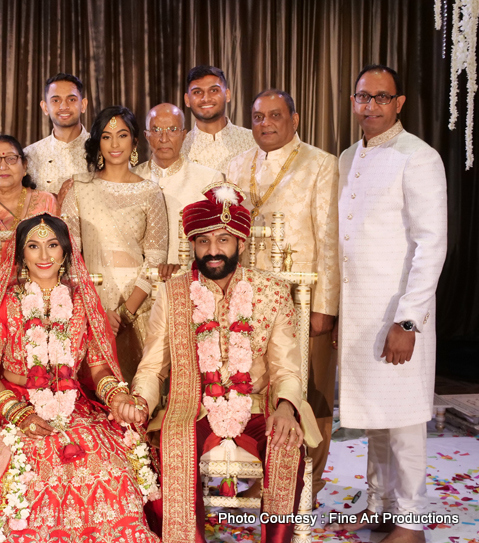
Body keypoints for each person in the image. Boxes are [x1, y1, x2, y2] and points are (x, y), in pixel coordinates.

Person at [0, 213, 161, 542]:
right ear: (21, 255)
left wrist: (117, 396)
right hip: (14, 408)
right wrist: (19, 414)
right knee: (31, 473)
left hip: (72, 406)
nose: (44, 256)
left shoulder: (83, 305)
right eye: (34, 246)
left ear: (65, 252)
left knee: (108, 466)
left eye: (52, 246)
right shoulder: (6, 305)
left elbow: (100, 369)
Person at [130, 182, 321, 543]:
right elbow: (153, 366)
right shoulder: (174, 294)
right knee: (169, 443)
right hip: (193, 406)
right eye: (203, 241)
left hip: (259, 405)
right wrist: (140, 401)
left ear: (241, 244)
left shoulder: (272, 291)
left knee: (284, 442)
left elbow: (286, 369)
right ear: (193, 245)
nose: (213, 250)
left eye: (223, 240)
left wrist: (285, 407)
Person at [331, 65, 447, 543]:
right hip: (360, 313)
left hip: (399, 313)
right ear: (354, 101)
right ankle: (381, 504)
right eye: (363, 97)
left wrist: (408, 319)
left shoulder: (417, 156)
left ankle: (413, 521)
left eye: (382, 98)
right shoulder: (346, 157)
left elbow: (432, 242)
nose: (371, 106)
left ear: (399, 103)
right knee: (374, 416)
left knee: (404, 419)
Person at [226, 89, 339, 502]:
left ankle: (308, 478)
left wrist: (325, 307)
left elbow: (328, 239)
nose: (266, 124)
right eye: (257, 117)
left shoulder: (321, 164)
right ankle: (266, 470)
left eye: (275, 115)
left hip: (303, 299)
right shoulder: (237, 164)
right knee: (260, 386)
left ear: (295, 118)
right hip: (251, 300)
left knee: (310, 388)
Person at [59, 106, 168, 383]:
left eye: (122, 135)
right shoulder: (78, 188)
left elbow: (155, 257)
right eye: (106, 137)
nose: (115, 144)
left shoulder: (150, 192)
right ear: (97, 143)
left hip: (139, 306)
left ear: (134, 141)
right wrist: (97, 313)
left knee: (140, 393)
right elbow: (68, 254)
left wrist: (125, 312)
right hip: (89, 304)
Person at [0, 73, 89, 198]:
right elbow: (3, 194)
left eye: (71, 99)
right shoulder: (29, 155)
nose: (64, 106)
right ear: (45, 107)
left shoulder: (101, 150)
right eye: (56, 100)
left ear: (83, 105)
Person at [133, 103, 223, 265]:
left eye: (172, 130)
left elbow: (217, 242)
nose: (164, 138)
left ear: (184, 135)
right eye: (156, 130)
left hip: (191, 281)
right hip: (139, 282)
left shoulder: (209, 180)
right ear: (146, 136)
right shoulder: (131, 178)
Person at [0, 134, 58, 276]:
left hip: (38, 293)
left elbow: (59, 252)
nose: (3, 166)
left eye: (11, 158)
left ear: (24, 165)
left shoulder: (45, 201)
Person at [181, 65, 256, 174]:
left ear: (227, 95)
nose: (206, 98)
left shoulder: (253, 142)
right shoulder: (179, 149)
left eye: (214, 90)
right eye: (197, 92)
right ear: (187, 100)